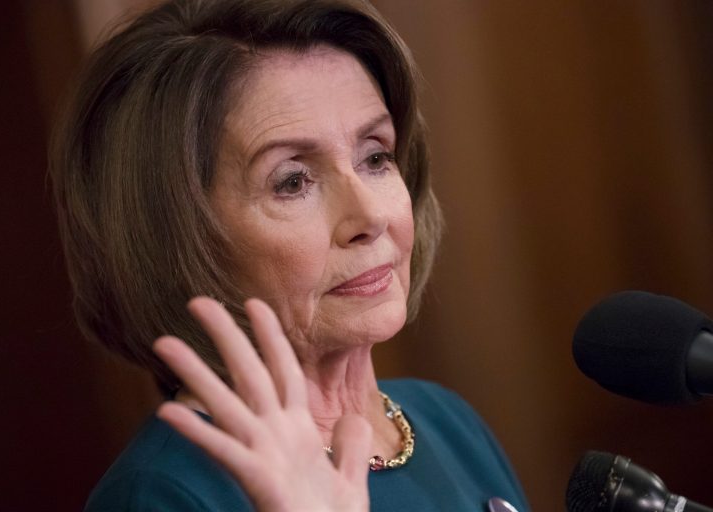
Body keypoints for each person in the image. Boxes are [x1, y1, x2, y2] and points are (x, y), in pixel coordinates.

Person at [50, 0, 529, 510]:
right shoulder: (163, 494)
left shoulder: (445, 420)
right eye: (293, 181)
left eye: (375, 157)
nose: (369, 217)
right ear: (175, 238)